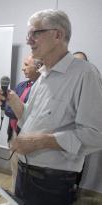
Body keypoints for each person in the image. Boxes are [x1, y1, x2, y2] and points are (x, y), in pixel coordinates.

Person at [0, 9, 102, 205]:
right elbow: (30, 119)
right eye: (28, 34)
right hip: (24, 171)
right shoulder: (43, 75)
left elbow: (96, 135)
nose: (28, 40)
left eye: (35, 33)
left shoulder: (85, 74)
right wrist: (13, 100)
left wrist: (41, 141)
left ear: (58, 35)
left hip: (52, 181)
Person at [5, 55, 42, 193]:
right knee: (14, 168)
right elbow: (8, 108)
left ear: (38, 68)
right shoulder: (21, 85)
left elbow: (30, 114)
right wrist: (14, 108)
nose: (23, 68)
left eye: (26, 65)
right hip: (14, 132)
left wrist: (15, 109)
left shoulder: (42, 88)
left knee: (27, 172)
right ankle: (14, 194)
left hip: (28, 137)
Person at [73, 51, 102, 205]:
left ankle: (74, 191)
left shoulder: (92, 82)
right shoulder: (66, 82)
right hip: (63, 139)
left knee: (79, 165)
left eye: (80, 62)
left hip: (81, 136)